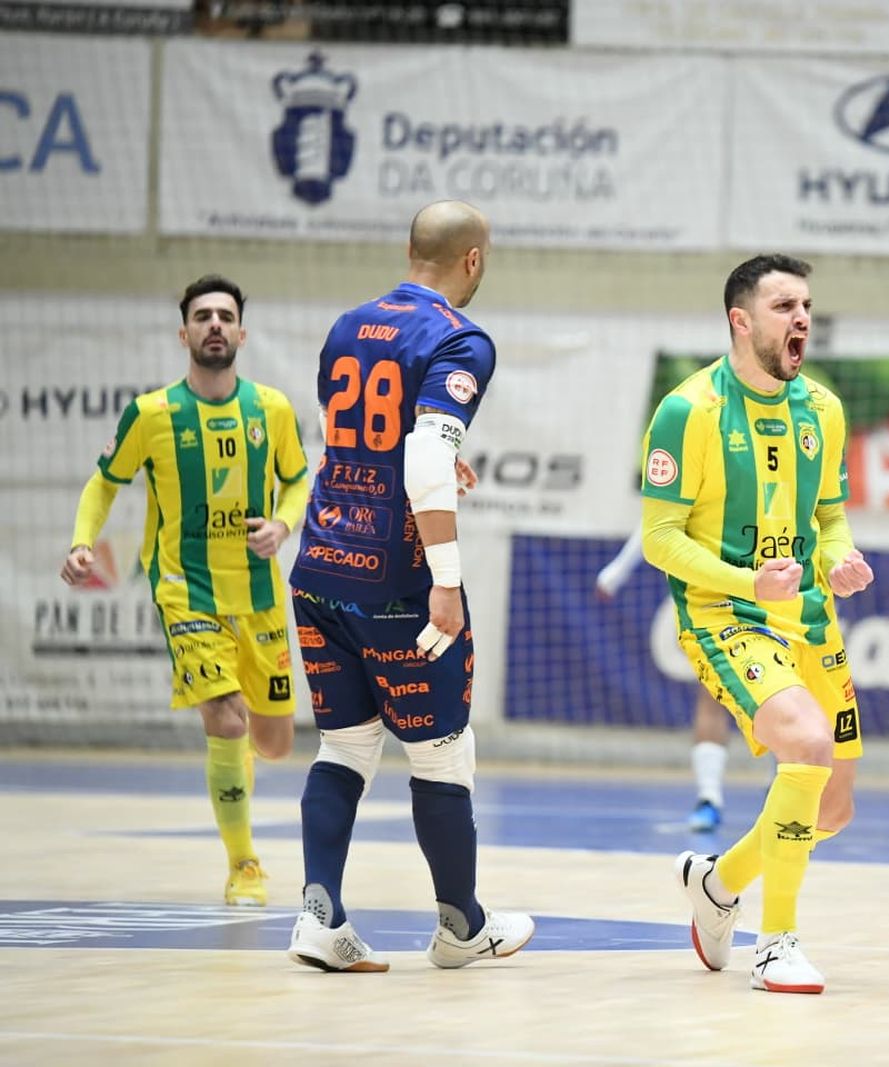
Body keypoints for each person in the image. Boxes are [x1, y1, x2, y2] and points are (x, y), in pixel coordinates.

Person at [284, 199, 533, 973]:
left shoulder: (348, 324)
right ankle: (462, 927)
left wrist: (429, 460)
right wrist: (446, 581)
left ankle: (320, 916)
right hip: (396, 582)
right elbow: (422, 457)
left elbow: (350, 438)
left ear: (409, 249)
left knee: (344, 743)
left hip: (320, 566)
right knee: (442, 753)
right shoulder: (460, 338)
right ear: (473, 260)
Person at [643, 253, 874, 995]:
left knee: (833, 806)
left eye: (806, 305)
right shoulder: (689, 411)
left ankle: (718, 884)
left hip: (809, 617)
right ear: (740, 321)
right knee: (805, 743)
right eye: (783, 306)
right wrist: (748, 581)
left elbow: (829, 515)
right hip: (726, 612)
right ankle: (776, 944)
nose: (801, 318)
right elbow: (660, 538)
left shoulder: (823, 409)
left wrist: (838, 558)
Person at [61, 274, 309, 907]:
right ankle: (244, 866)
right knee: (224, 718)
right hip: (185, 590)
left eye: (225, 316)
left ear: (242, 334)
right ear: (184, 334)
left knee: (275, 743)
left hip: (257, 593)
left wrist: (282, 525)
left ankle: (238, 759)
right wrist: (83, 541)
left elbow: (297, 481)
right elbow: (103, 482)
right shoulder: (152, 414)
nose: (215, 324)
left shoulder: (272, 409)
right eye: (203, 316)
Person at [595, 527, 733, 831]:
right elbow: (658, 518)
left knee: (787, 698)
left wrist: (617, 572)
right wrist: (619, 570)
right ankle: (709, 797)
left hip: (776, 587)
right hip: (720, 589)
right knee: (713, 694)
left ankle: (781, 787)